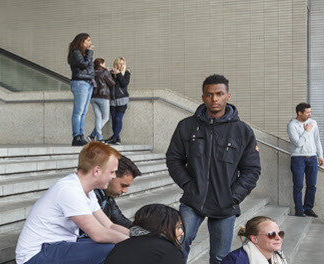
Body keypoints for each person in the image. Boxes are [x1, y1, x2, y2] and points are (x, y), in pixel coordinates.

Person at [166, 74, 261, 264]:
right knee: (177, 247)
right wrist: (188, 184)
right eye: (209, 95)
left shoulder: (242, 131)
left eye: (219, 94)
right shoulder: (187, 126)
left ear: (228, 96)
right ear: (203, 97)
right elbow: (174, 159)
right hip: (193, 199)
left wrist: (233, 196)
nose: (214, 99)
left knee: (220, 257)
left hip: (225, 204)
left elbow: (252, 170)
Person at [14, 141, 130, 264]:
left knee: (114, 246)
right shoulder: (69, 189)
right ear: (97, 171)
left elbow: (109, 226)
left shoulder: (87, 191)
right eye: (112, 172)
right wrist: (131, 243)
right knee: (113, 249)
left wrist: (137, 235)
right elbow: (98, 234)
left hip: (57, 247)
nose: (113, 176)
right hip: (35, 256)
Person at [101, 203, 185, 264]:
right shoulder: (169, 251)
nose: (182, 233)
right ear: (164, 228)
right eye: (178, 227)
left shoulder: (120, 246)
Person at [286, 102, 324, 217]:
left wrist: (320, 155)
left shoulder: (313, 123)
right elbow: (298, 143)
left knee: (312, 185)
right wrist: (307, 131)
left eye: (310, 112)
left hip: (312, 157)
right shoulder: (292, 125)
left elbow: (317, 139)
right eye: (307, 112)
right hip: (298, 158)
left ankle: (308, 208)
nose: (309, 114)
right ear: (299, 113)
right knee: (298, 185)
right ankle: (299, 210)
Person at [94, 156, 141, 229]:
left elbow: (122, 222)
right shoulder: (87, 193)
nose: (125, 191)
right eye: (123, 185)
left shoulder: (107, 197)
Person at [219, 216, 288, 264]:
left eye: (280, 233)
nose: (278, 238)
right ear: (254, 239)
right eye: (271, 234)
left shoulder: (277, 256)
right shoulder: (236, 261)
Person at [67, 33, 95, 146]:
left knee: (83, 112)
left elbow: (89, 67)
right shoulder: (76, 53)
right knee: (78, 112)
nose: (90, 43)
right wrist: (90, 53)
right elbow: (84, 65)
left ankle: (81, 135)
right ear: (81, 41)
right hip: (80, 83)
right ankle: (76, 136)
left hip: (88, 82)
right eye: (88, 40)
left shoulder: (83, 53)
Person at [105, 58, 130, 145]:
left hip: (122, 99)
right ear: (116, 64)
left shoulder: (126, 72)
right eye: (119, 63)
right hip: (112, 100)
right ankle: (117, 138)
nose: (121, 65)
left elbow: (124, 84)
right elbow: (108, 84)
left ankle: (114, 138)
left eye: (123, 63)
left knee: (118, 118)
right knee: (114, 120)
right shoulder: (111, 73)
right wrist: (107, 73)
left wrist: (119, 74)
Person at [89, 57, 114, 141]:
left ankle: (97, 137)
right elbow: (112, 83)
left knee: (98, 118)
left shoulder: (92, 72)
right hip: (103, 97)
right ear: (101, 64)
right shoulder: (104, 72)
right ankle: (93, 135)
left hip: (93, 97)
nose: (105, 65)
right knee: (105, 118)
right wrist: (108, 72)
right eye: (104, 63)